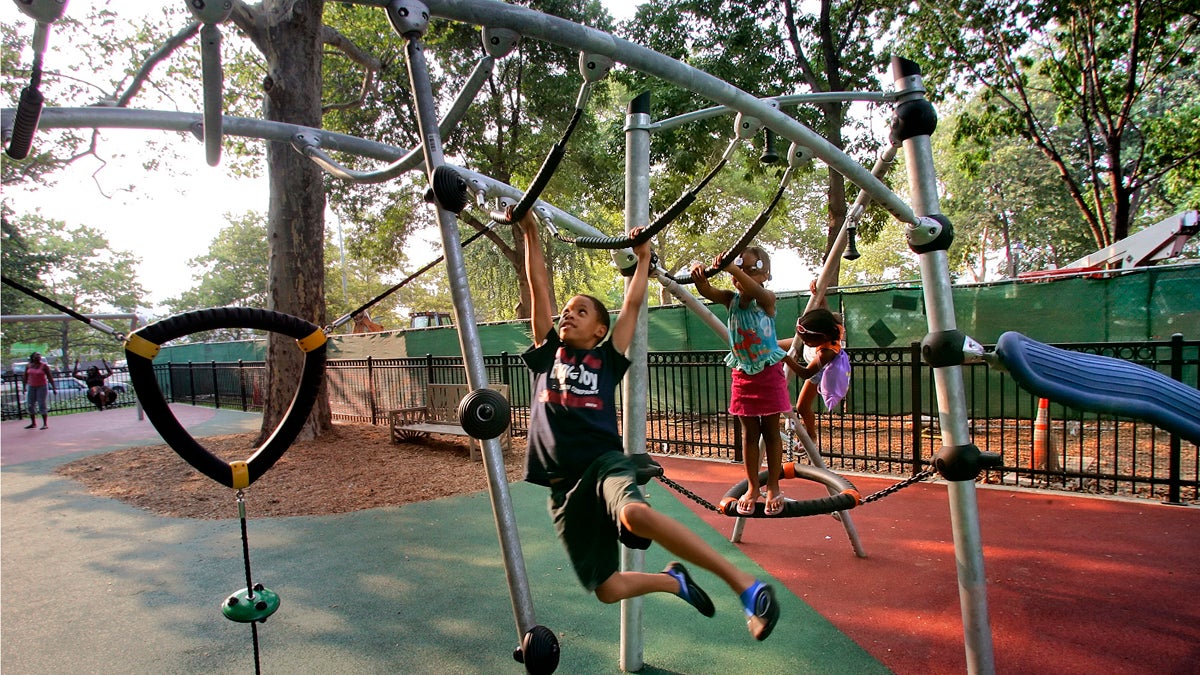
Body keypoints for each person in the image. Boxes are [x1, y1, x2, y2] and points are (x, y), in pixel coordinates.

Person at [518, 212, 780, 641]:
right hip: (563, 486)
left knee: (635, 513)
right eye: (566, 312)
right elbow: (538, 287)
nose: (568, 316)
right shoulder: (548, 354)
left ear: (600, 328)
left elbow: (633, 304)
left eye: (580, 312)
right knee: (606, 588)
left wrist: (642, 260)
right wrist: (530, 230)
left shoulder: (606, 358)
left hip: (602, 464)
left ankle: (747, 588)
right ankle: (673, 580)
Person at [690, 247, 799, 518]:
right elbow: (707, 292)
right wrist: (700, 277)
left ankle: (773, 485)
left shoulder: (767, 299)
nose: (741, 275)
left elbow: (756, 290)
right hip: (743, 373)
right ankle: (753, 487)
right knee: (750, 434)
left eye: (750, 270)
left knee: (771, 431)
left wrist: (733, 268)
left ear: (765, 275)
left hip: (768, 372)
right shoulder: (731, 300)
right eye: (739, 270)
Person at [779, 284, 847, 441]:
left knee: (802, 406)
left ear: (820, 338)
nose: (803, 341)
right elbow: (825, 311)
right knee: (774, 344)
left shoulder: (827, 352)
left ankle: (811, 434)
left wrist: (787, 359)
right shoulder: (829, 324)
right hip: (811, 353)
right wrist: (819, 293)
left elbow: (806, 373)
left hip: (820, 371)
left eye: (806, 340)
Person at [22, 352, 56, 430]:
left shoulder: (44, 366)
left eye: (39, 356)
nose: (38, 357)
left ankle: (45, 424)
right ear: (33, 357)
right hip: (31, 386)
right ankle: (33, 423)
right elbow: (25, 377)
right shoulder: (28, 366)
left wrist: (54, 388)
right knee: (30, 404)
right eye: (36, 356)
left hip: (42, 387)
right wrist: (24, 387)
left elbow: (50, 377)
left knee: (42, 404)